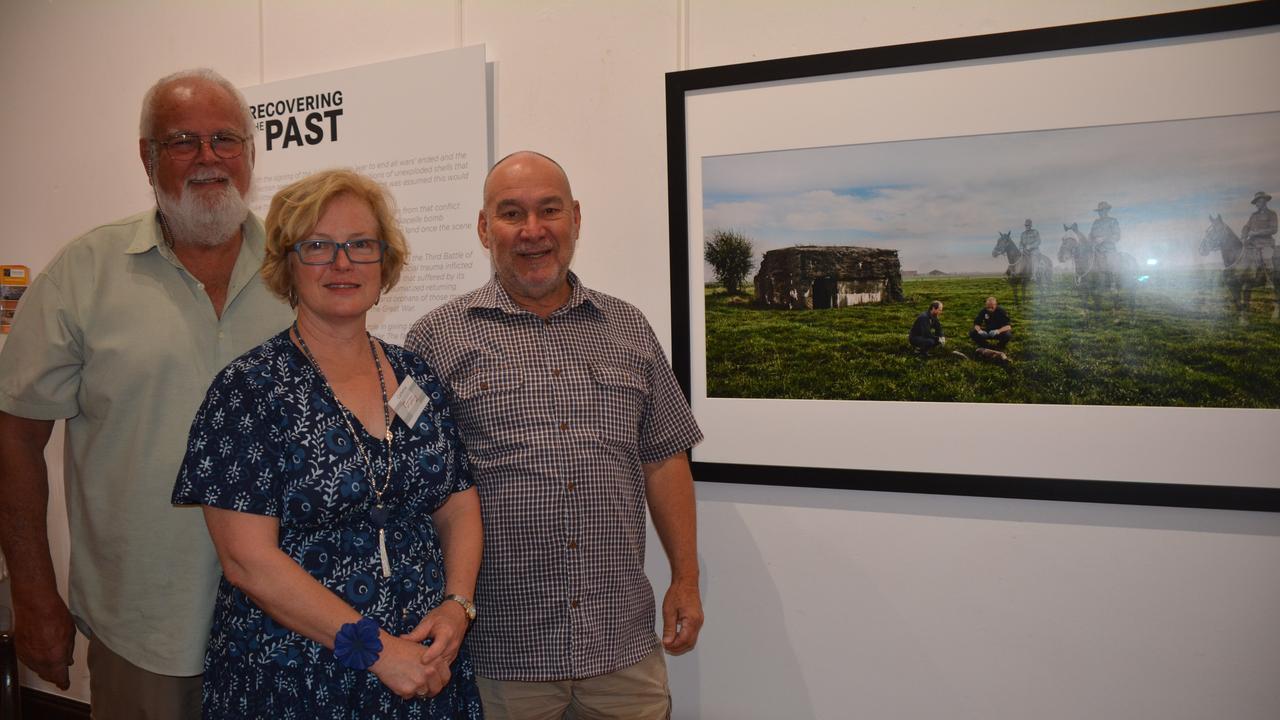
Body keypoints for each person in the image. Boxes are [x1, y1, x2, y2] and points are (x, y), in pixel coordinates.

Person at [0, 69, 293, 717]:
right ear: (147, 155)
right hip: (142, 630)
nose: (209, 157)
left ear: (250, 151)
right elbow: (15, 436)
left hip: (288, 622)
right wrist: (33, 592)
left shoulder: (300, 268)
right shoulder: (84, 273)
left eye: (226, 139)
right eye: (183, 141)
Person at [171, 169, 484, 719]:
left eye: (361, 245)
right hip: (296, 681)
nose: (343, 263)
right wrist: (378, 651)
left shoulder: (416, 376)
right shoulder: (248, 391)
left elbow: (457, 499)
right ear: (287, 265)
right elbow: (248, 561)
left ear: (384, 261)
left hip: (428, 671)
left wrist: (457, 606)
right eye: (318, 245)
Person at [404, 151, 704, 719]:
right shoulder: (434, 339)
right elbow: (413, 491)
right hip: (500, 654)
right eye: (512, 213)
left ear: (576, 218)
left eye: (550, 210)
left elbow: (665, 460)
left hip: (622, 649)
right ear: (483, 227)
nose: (533, 231)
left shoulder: (629, 328)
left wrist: (685, 580)